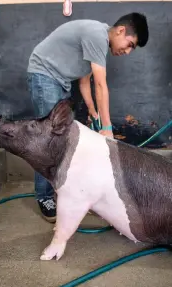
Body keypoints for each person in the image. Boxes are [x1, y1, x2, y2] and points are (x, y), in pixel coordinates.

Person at [27, 13, 149, 223]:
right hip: (44, 76)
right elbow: (101, 85)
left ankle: (65, 194)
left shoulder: (97, 41)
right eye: (130, 44)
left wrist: (93, 111)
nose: (127, 51)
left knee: (64, 141)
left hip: (59, 81)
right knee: (49, 139)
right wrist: (107, 127)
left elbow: (85, 82)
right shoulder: (96, 35)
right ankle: (45, 197)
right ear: (121, 31)